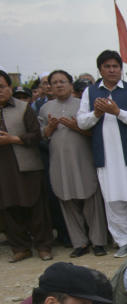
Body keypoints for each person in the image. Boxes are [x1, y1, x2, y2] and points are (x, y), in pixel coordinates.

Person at [76, 50, 127, 259]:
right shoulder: (91, 92)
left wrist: (117, 112)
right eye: (107, 67)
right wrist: (97, 113)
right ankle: (124, 241)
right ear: (100, 69)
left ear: (121, 69)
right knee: (113, 201)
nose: (112, 70)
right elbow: (81, 121)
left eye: (115, 66)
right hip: (107, 159)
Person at [38, 69, 107, 258]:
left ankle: (98, 242)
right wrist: (50, 127)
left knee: (91, 199)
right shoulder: (45, 108)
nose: (59, 85)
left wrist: (75, 126)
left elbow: (93, 132)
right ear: (50, 87)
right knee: (66, 200)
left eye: (63, 81)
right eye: (55, 82)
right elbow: (41, 136)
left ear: (70, 84)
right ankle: (80, 242)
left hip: (83, 159)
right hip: (59, 162)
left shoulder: (82, 105)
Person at [1, 69, 54, 263]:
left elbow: (36, 135)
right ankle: (20, 247)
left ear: (9, 88)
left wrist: (13, 139)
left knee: (36, 207)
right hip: (3, 170)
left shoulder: (23, 108)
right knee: (9, 208)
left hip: (27, 166)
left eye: (2, 87)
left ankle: (43, 246)